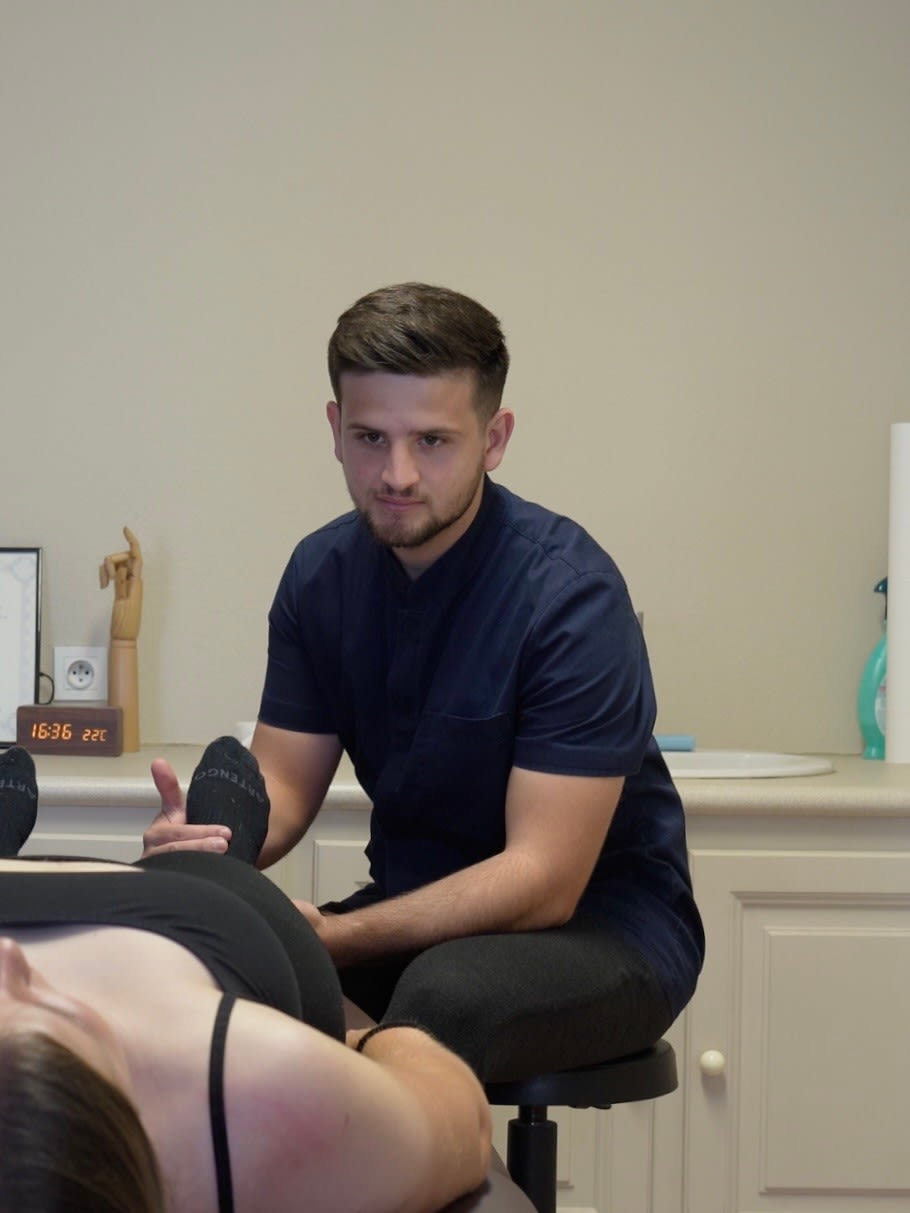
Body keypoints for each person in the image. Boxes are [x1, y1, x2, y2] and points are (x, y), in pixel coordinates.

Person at [144, 282, 706, 1083]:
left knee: (442, 1000)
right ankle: (374, 1108)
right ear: (335, 428)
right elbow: (285, 784)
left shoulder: (570, 596)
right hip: (417, 913)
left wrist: (333, 939)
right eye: (370, 436)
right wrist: (208, 851)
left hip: (604, 925)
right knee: (198, 971)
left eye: (433, 441)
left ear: (494, 438)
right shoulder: (320, 575)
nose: (397, 473)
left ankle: (386, 1110)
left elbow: (544, 879)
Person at [0, 741, 492, 1213]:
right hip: (193, 922)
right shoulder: (258, 1095)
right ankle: (218, 844)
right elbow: (464, 1121)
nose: (9, 956)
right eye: (27, 1026)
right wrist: (359, 1044)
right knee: (210, 866)